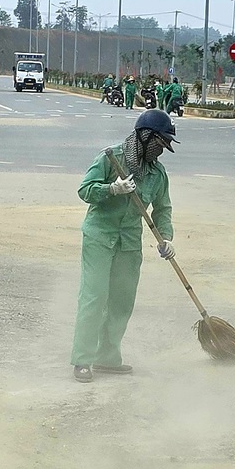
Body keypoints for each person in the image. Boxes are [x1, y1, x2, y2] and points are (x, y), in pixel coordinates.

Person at [71, 109, 178, 383]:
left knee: (121, 301)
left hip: (129, 243)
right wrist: (111, 189)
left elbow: (162, 207)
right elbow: (85, 190)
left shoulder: (157, 173)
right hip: (99, 237)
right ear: (144, 137)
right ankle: (82, 360)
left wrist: (165, 237)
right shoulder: (111, 158)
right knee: (94, 297)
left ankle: (107, 357)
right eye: (159, 143)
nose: (161, 151)